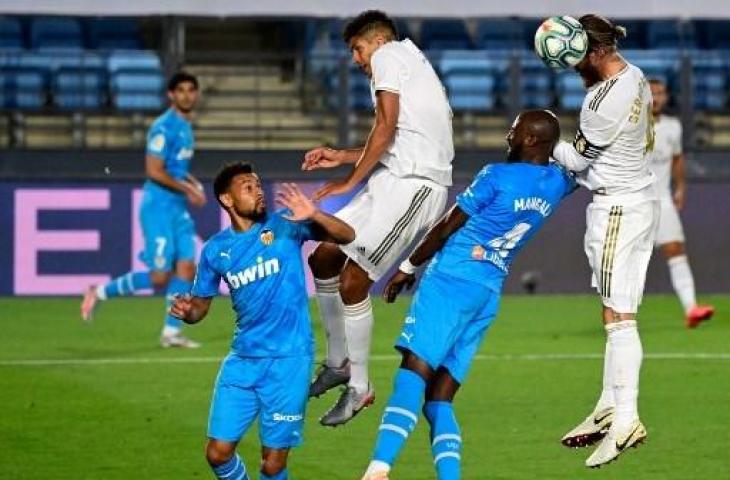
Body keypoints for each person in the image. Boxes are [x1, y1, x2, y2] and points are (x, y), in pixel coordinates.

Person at [360, 110, 575, 480]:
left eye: (514, 130)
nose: (508, 135)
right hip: (487, 291)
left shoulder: (496, 176)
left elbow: (446, 226)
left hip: (452, 278)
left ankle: (379, 469)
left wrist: (407, 268)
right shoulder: (557, 183)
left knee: (414, 371)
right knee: (439, 398)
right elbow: (580, 166)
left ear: (529, 139)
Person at [302, 9, 454, 427]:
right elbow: (399, 138)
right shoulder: (409, 59)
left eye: (357, 48)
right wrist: (344, 155)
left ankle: (360, 386)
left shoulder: (387, 57)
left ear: (377, 40)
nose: (356, 59)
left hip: (414, 186)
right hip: (395, 178)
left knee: (354, 280)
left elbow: (385, 130)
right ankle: (337, 362)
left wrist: (348, 180)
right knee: (323, 259)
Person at [169, 162, 355, 480]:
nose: (258, 191)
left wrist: (314, 214)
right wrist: (187, 313)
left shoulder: (286, 224)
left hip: (289, 360)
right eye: (247, 186)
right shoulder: (215, 250)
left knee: (273, 464)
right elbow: (199, 308)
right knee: (217, 454)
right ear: (227, 199)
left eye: (258, 184)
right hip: (242, 360)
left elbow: (347, 235)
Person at [551, 15, 658, 468]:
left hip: (617, 208)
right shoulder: (634, 76)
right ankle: (608, 405)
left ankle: (627, 417)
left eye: (576, 59)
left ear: (594, 52)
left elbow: (576, 160)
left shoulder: (602, 103)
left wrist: (542, 140)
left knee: (619, 318)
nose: (574, 67)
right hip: (636, 199)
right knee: (615, 312)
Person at [81, 71, 205, 348]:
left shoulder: (186, 127)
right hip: (158, 207)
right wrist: (189, 189)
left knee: (186, 268)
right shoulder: (164, 127)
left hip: (177, 208)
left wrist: (193, 184)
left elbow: (176, 169)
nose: (186, 95)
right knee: (160, 276)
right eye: (181, 90)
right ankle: (98, 292)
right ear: (171, 95)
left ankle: (171, 333)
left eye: (191, 90)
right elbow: (154, 171)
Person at [647, 78, 714, 328]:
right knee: (628, 260)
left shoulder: (673, 127)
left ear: (666, 98)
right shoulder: (630, 126)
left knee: (675, 250)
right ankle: (618, 312)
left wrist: (681, 188)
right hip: (634, 202)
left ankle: (691, 308)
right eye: (651, 93)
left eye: (660, 93)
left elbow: (677, 159)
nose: (656, 98)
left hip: (662, 199)